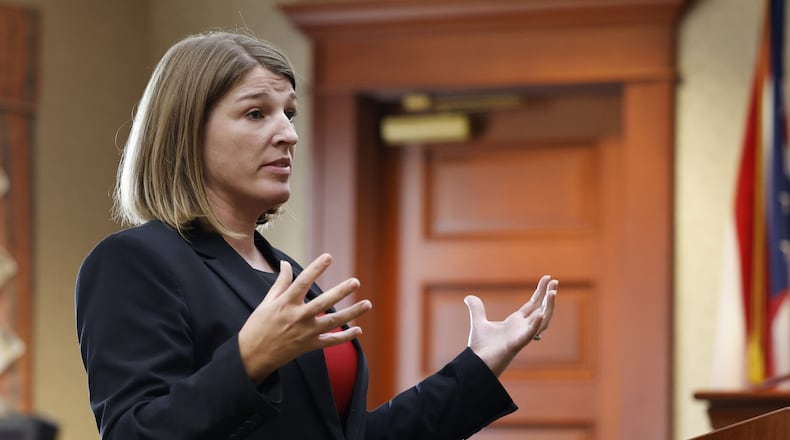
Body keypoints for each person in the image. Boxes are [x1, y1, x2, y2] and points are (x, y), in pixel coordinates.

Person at [75, 30, 558, 440]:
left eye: (289, 113)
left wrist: (477, 367)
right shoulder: (136, 262)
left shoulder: (285, 272)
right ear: (187, 132)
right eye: (256, 113)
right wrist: (250, 359)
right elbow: (134, 432)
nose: (288, 133)